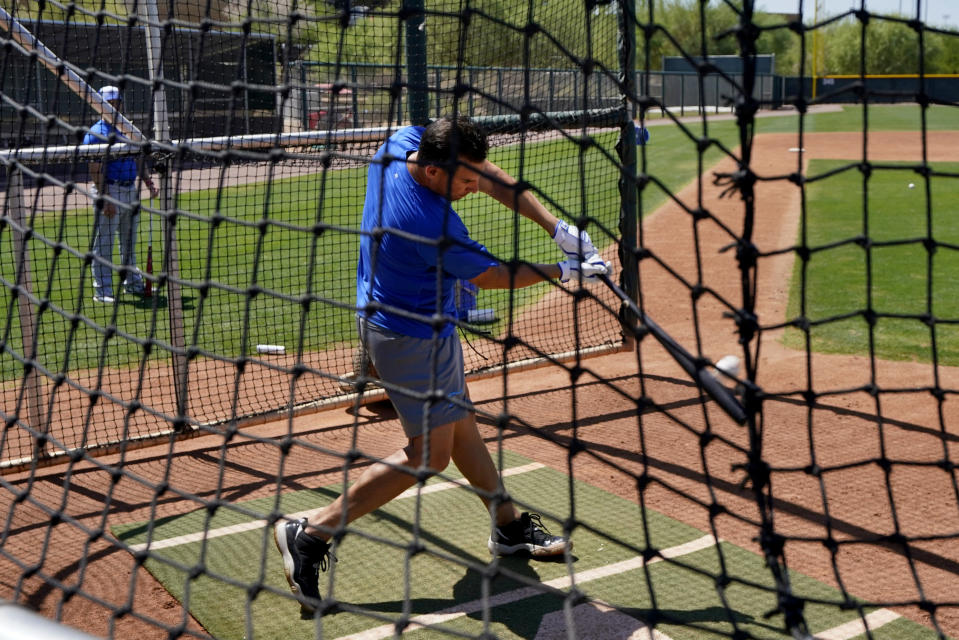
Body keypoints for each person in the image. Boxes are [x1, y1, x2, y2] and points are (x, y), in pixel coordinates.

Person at [274, 116, 608, 614]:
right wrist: (564, 269)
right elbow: (494, 275)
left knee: (463, 429)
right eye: (466, 181)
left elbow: (489, 173)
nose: (476, 188)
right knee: (430, 455)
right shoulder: (429, 222)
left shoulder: (403, 144)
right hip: (406, 338)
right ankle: (311, 533)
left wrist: (554, 226)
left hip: (425, 324)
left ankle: (509, 527)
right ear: (433, 172)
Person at [84, 85, 158, 304]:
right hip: (109, 190)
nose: (114, 107)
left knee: (129, 242)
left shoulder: (128, 129)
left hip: (130, 189)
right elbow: (94, 168)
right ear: (101, 106)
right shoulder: (96, 133)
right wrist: (105, 198)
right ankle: (103, 291)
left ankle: (133, 283)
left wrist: (147, 182)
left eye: (117, 103)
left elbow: (138, 158)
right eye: (109, 103)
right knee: (104, 243)